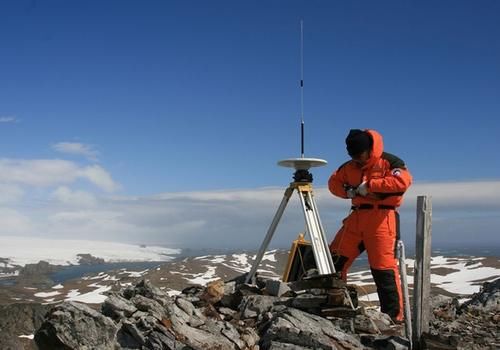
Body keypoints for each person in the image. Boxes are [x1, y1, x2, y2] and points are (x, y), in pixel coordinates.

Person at [328, 129, 412, 322]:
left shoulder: (390, 162)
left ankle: (393, 319)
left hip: (382, 219)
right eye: (353, 155)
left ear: (369, 149)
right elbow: (333, 183)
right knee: (334, 261)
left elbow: (402, 181)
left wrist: (371, 185)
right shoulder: (348, 166)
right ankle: (335, 306)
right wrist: (348, 192)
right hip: (357, 217)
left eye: (359, 154)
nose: (357, 159)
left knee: (384, 270)